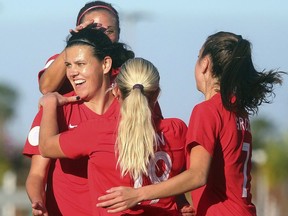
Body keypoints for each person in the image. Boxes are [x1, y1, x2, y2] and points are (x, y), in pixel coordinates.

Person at [96, 31, 285, 216]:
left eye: (197, 57)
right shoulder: (238, 111)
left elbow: (197, 175)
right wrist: (181, 200)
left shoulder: (207, 110)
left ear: (205, 64)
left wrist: (138, 194)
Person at [38, 57, 194, 215]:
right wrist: (180, 200)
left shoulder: (97, 131)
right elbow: (192, 174)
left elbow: (46, 147)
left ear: (116, 91)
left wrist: (50, 103)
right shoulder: (177, 130)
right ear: (156, 94)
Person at [23, 27, 134, 216]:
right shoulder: (54, 109)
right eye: (68, 65)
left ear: (106, 64)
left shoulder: (132, 108)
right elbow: (36, 175)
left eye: (81, 64)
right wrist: (38, 200)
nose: (72, 73)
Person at [39, 1, 120, 95]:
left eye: (109, 31)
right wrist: (75, 42)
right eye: (94, 31)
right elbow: (46, 88)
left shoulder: (126, 67)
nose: (102, 36)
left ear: (118, 33)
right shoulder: (62, 60)